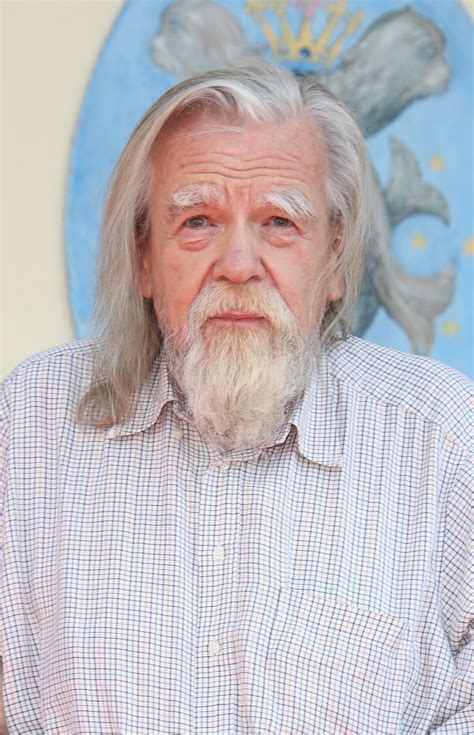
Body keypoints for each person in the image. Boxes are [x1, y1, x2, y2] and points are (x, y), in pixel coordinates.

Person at [0, 63, 472, 734]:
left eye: (279, 221)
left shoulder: (445, 442)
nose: (239, 263)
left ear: (335, 258)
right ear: (142, 255)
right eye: (198, 221)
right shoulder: (32, 422)